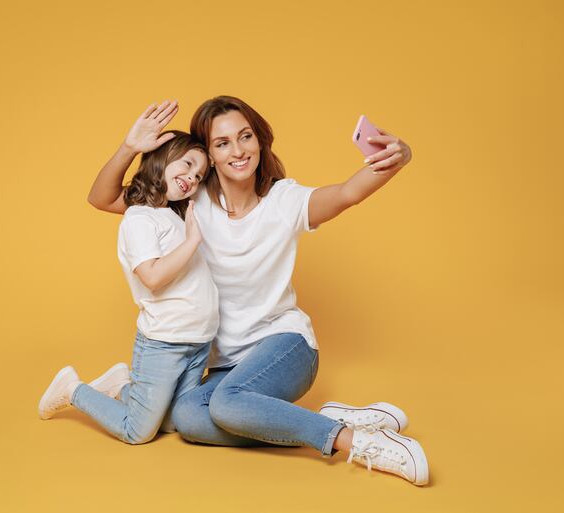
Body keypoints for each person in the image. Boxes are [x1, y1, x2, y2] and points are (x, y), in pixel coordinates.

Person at [86, 97, 429, 485]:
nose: (238, 150)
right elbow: (103, 198)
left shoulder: (285, 200)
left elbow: (348, 193)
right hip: (226, 364)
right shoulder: (189, 199)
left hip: (286, 346)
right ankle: (326, 420)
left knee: (228, 405)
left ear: (259, 141)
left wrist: (398, 157)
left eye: (245, 136)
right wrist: (130, 147)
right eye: (222, 143)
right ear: (209, 155)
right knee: (187, 419)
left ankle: (356, 443)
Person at [38, 121, 219, 445]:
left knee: (172, 424)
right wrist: (192, 241)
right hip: (165, 341)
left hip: (197, 340)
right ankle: (73, 389)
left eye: (199, 175)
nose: (192, 178)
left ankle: (122, 385)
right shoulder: (139, 217)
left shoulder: (173, 214)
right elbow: (151, 277)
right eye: (188, 164)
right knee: (138, 431)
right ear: (161, 157)